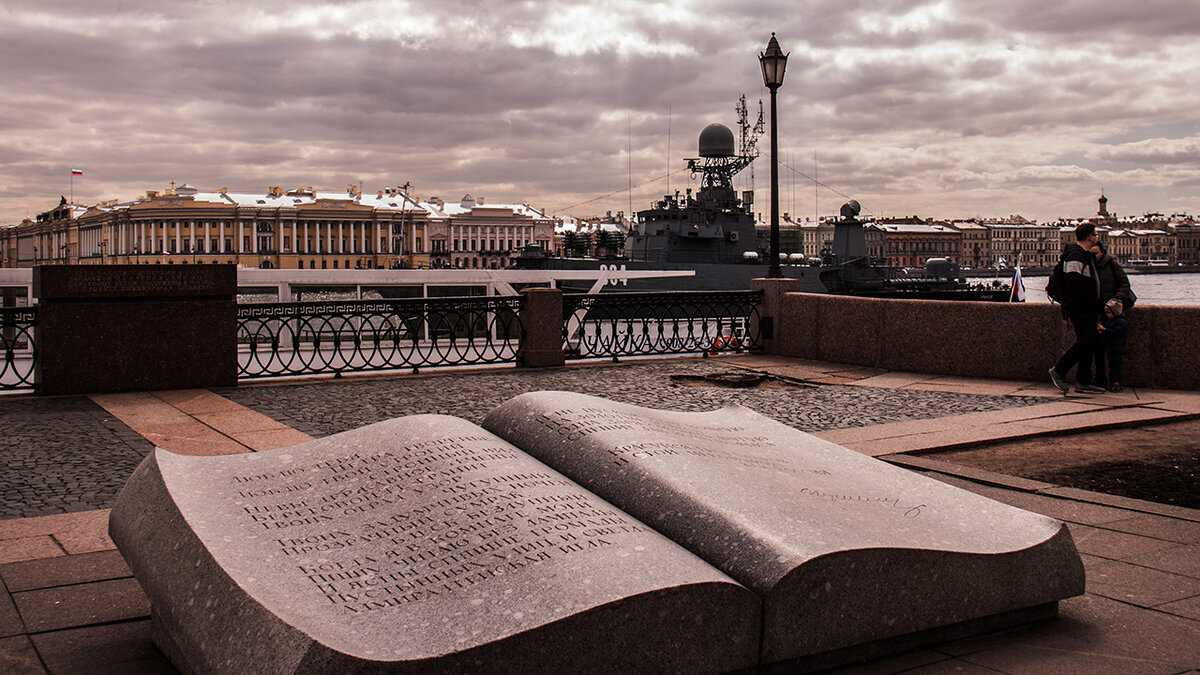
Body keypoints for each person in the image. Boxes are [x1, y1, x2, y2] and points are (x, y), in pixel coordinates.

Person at [1049, 223, 1105, 394]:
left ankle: (1083, 381)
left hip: (1086, 307)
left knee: (1089, 341)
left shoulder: (1083, 255)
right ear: (1090, 237)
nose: (1097, 237)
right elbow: (1073, 282)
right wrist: (1085, 303)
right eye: (1095, 234)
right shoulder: (1075, 254)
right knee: (1086, 341)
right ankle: (1059, 370)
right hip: (1080, 307)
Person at [1092, 242, 1132, 391]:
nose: (1093, 256)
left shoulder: (1112, 265)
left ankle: (1115, 381)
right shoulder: (1089, 266)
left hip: (1111, 313)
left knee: (1113, 353)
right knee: (1097, 348)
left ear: (1102, 252)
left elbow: (1125, 284)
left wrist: (1116, 299)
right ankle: (1100, 378)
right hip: (1096, 313)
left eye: (1095, 253)